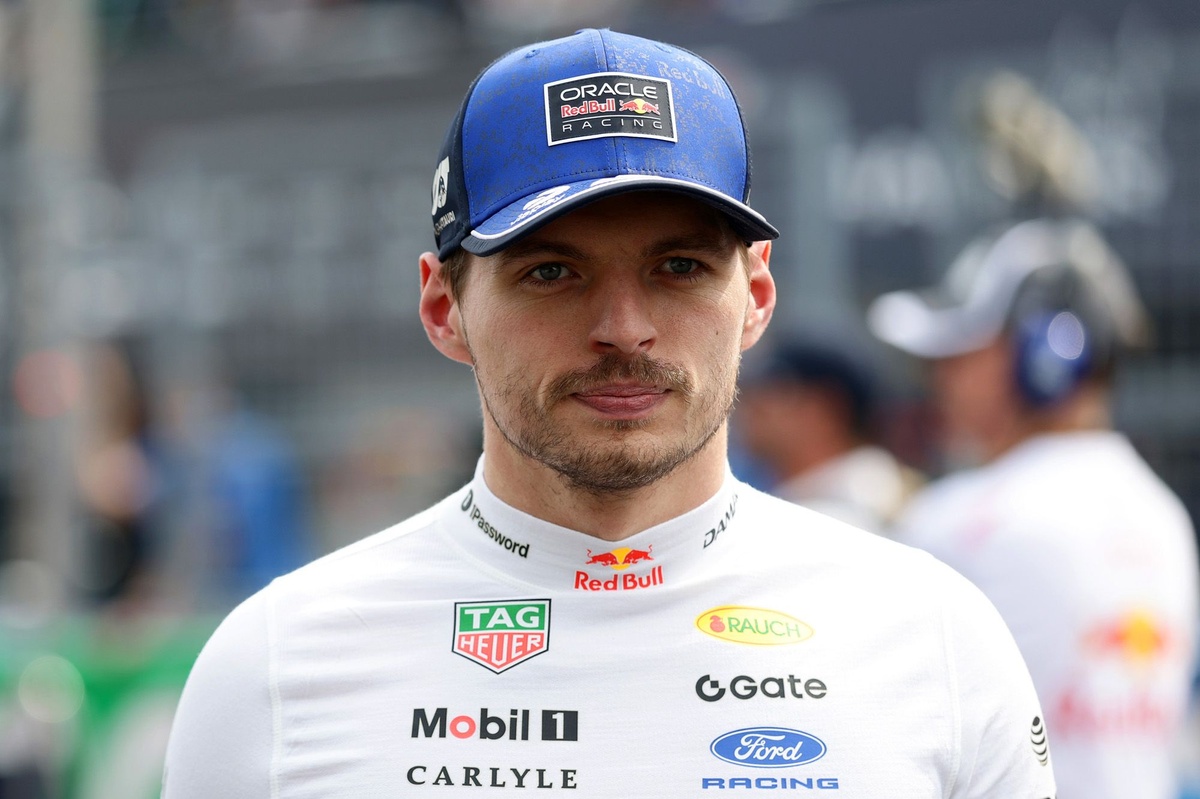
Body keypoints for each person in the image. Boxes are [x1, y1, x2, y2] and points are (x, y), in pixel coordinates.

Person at [162, 29, 1057, 797]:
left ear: (756, 294)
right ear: (443, 308)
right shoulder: (276, 667)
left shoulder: (936, 638)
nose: (624, 329)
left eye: (680, 267)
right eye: (552, 271)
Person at [868, 216, 1200, 799]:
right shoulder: (1165, 515)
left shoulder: (955, 520)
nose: (937, 378)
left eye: (961, 354)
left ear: (1052, 352)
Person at [736, 339, 923, 532]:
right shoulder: (805, 497)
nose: (754, 404)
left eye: (778, 390)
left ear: (827, 408)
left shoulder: (862, 501)